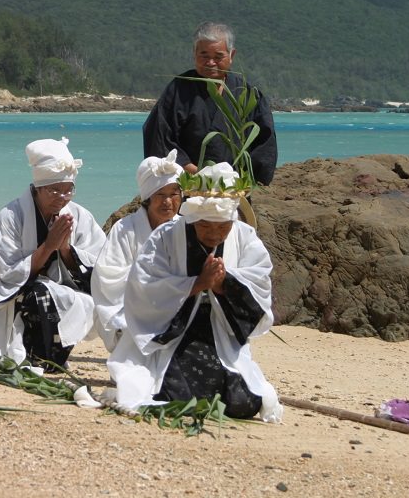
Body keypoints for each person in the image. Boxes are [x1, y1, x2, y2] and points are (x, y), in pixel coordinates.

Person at [107, 163, 282, 422]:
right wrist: (196, 284)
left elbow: (259, 281)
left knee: (244, 402)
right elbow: (143, 285)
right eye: (205, 227)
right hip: (175, 332)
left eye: (222, 227)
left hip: (221, 329)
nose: (214, 234)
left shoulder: (245, 236)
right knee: (175, 393)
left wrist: (225, 284)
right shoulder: (165, 237)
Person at [0, 138, 105, 370]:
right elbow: (7, 274)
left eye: (69, 190)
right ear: (37, 189)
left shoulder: (79, 216)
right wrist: (48, 246)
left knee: (82, 300)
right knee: (41, 293)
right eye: (54, 190)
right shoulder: (11, 216)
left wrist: (65, 248)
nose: (62, 197)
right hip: (18, 293)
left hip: (64, 286)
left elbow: (99, 265)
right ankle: (39, 358)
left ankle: (53, 359)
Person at [142, 21, 278, 186]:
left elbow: (265, 142)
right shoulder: (178, 90)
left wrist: (241, 180)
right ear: (194, 54)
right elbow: (159, 136)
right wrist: (196, 173)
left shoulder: (247, 94)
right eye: (204, 56)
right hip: (187, 182)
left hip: (233, 186)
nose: (211, 62)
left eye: (218, 56)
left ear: (231, 55)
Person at [91, 150, 184, 352]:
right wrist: (153, 289)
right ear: (148, 198)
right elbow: (108, 276)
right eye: (160, 195)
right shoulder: (125, 229)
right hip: (130, 307)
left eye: (174, 194)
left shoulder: (185, 229)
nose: (168, 202)